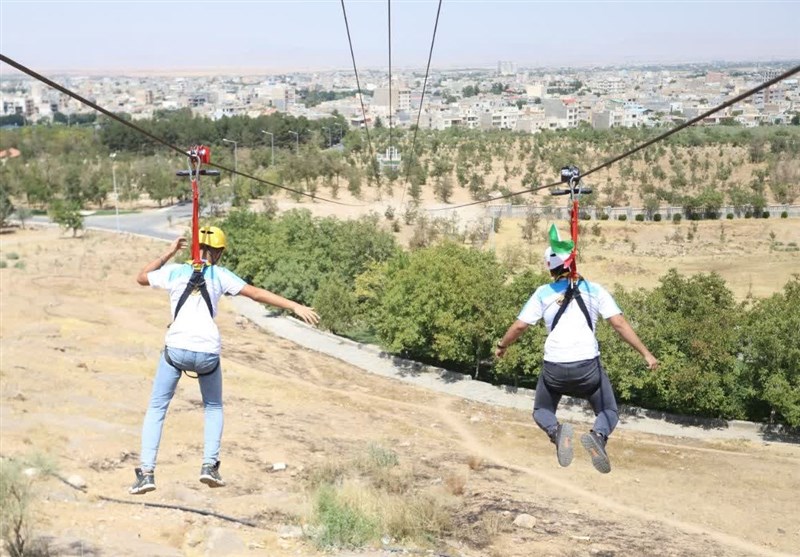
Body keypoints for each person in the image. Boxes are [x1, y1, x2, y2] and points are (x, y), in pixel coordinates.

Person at [129, 226, 319, 494]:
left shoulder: (175, 272)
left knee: (158, 408)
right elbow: (255, 293)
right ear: (217, 253)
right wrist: (294, 306)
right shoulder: (220, 275)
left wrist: (169, 252)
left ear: (195, 248)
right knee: (213, 407)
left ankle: (146, 472)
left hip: (177, 350)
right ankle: (209, 466)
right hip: (207, 352)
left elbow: (141, 277)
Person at [495, 229, 658, 474]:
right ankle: (599, 436)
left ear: (551, 269)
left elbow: (520, 326)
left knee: (542, 410)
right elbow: (619, 324)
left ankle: (557, 432)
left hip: (554, 369)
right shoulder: (596, 290)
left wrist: (502, 346)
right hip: (587, 369)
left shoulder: (542, 293)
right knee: (608, 411)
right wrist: (646, 353)